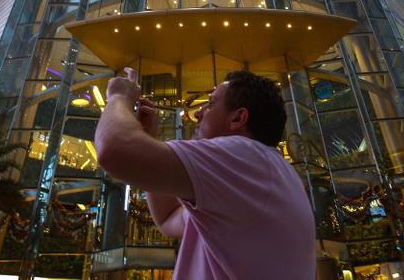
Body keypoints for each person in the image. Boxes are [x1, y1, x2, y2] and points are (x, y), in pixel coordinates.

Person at [94, 67, 316, 279]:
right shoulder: (254, 175)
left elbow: (114, 149)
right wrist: (148, 140)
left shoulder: (243, 157)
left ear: (238, 118)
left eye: (210, 104)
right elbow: (168, 218)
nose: (198, 113)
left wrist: (118, 96)